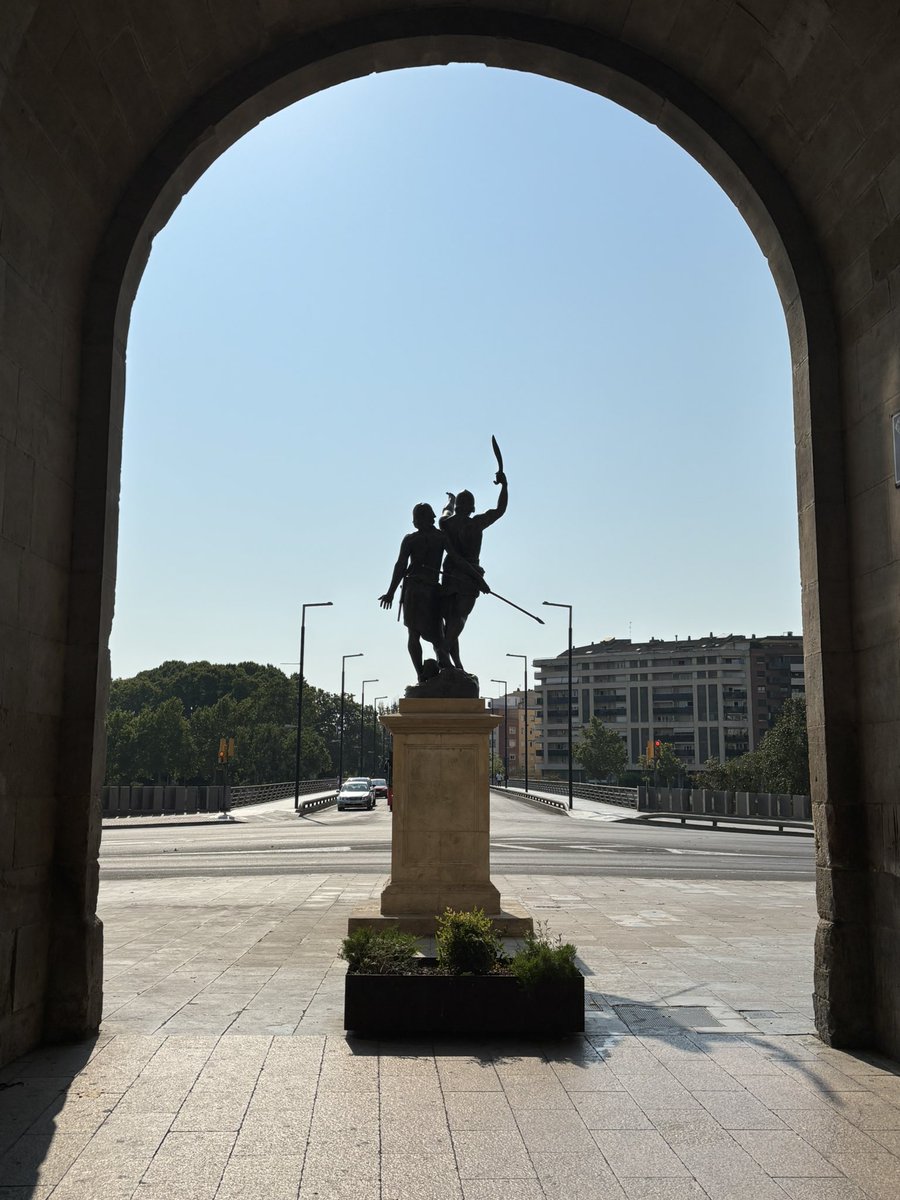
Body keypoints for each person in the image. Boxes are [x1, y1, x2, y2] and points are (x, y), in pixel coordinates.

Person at [439, 468, 508, 671]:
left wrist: (450, 502)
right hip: (468, 579)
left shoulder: (446, 524)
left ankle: (453, 663)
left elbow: (446, 512)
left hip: (450, 576)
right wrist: (505, 485)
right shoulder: (476, 523)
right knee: (459, 619)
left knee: (451, 621)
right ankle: (443, 652)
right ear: (471, 508)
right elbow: (500, 510)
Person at [379, 503, 452, 682]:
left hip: (417, 590)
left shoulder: (412, 539)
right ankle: (434, 671)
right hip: (425, 590)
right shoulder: (439, 537)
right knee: (435, 636)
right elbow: (400, 566)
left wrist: (391, 592)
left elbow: (400, 566)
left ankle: (426, 673)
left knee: (421, 634)